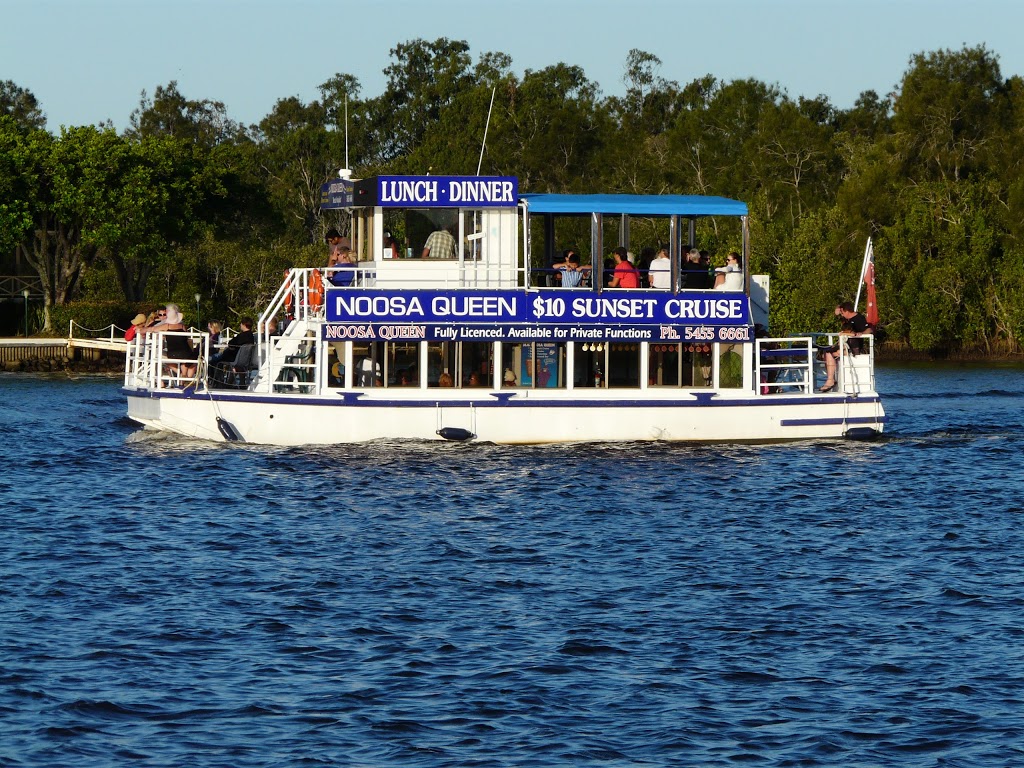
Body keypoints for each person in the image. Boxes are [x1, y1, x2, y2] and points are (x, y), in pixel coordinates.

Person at [820, 301, 870, 392]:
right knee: (825, 354)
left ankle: (830, 380)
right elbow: (838, 315)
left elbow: (869, 329)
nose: (842, 315)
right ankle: (831, 378)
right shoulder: (847, 319)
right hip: (844, 344)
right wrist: (838, 308)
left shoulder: (859, 318)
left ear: (847, 311)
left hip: (853, 347)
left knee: (829, 353)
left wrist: (861, 333)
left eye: (842, 313)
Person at [139, 304, 197, 380]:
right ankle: (186, 378)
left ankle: (180, 375)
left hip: (173, 353)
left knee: (162, 358)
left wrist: (141, 330)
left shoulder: (167, 326)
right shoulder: (182, 326)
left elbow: (151, 329)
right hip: (186, 353)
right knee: (189, 361)